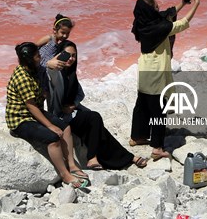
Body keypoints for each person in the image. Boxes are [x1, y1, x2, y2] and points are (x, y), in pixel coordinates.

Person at [45, 39, 149, 170]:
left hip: (73, 112)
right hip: (60, 117)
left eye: (74, 55)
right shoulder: (56, 73)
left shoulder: (70, 73)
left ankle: (127, 158)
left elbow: (80, 94)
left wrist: (73, 105)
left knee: (99, 129)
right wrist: (50, 64)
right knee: (94, 117)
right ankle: (92, 158)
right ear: (59, 55)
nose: (71, 59)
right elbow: (50, 72)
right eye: (67, 55)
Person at [130, 0, 201, 159]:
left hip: (145, 68)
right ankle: (157, 148)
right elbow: (181, 24)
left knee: (142, 105)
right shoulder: (159, 27)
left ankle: (137, 137)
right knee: (158, 110)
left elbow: (167, 14)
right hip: (156, 71)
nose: (159, 7)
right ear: (150, 10)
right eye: (156, 6)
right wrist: (196, 5)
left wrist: (183, 3)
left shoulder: (142, 22)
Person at [6, 42, 88, 188]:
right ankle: (65, 174)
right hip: (21, 118)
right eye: (38, 56)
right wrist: (50, 126)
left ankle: (71, 164)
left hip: (34, 112)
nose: (40, 57)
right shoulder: (22, 78)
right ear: (30, 60)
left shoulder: (35, 69)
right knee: (53, 138)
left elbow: (48, 70)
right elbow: (31, 108)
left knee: (65, 128)